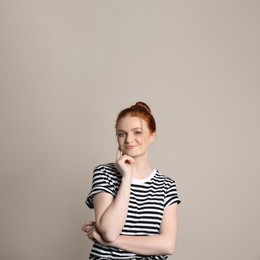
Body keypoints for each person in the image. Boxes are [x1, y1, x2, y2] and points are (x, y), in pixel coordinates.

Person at [82, 101, 181, 260]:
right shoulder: (104, 173)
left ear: (152, 136)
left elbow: (168, 245)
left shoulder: (166, 185)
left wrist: (109, 242)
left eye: (137, 132)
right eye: (122, 133)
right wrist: (126, 177)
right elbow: (109, 231)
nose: (128, 139)